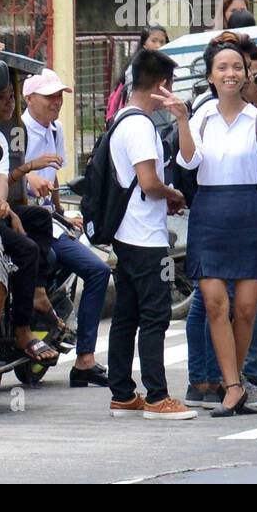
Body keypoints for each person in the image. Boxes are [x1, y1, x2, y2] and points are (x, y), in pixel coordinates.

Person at [177, 40, 257, 417]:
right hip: (209, 214)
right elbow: (189, 161)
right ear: (210, 76)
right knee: (214, 304)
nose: (230, 74)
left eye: (237, 68)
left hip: (250, 215)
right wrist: (181, 120)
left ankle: (238, 380)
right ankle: (231, 385)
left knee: (245, 310)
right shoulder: (202, 117)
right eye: (222, 68)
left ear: (246, 74)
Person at [106, 48, 197, 420]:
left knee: (127, 315)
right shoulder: (141, 126)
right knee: (156, 315)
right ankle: (158, 397)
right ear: (162, 86)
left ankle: (123, 394)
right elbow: (148, 182)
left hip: (127, 236)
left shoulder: (121, 120)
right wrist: (173, 194)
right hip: (146, 239)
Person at [9, 67, 111, 386]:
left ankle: (80, 354)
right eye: (49, 96)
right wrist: (28, 176)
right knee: (79, 266)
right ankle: (79, 354)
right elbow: (0, 174)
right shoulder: (17, 131)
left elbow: (52, 178)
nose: (56, 102)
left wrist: (61, 213)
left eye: (59, 96)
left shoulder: (55, 129)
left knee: (99, 265)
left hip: (47, 221)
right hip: (20, 219)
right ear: (28, 98)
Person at [0, 83, 60, 369]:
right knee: (27, 249)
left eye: (11, 97)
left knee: (39, 218)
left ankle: (37, 290)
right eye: (1, 97)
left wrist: (3, 204)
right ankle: (22, 328)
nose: (9, 104)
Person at [107, 24, 169, 120]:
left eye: (162, 42)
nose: (158, 46)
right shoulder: (137, 67)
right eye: (154, 41)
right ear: (144, 44)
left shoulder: (166, 66)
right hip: (137, 116)